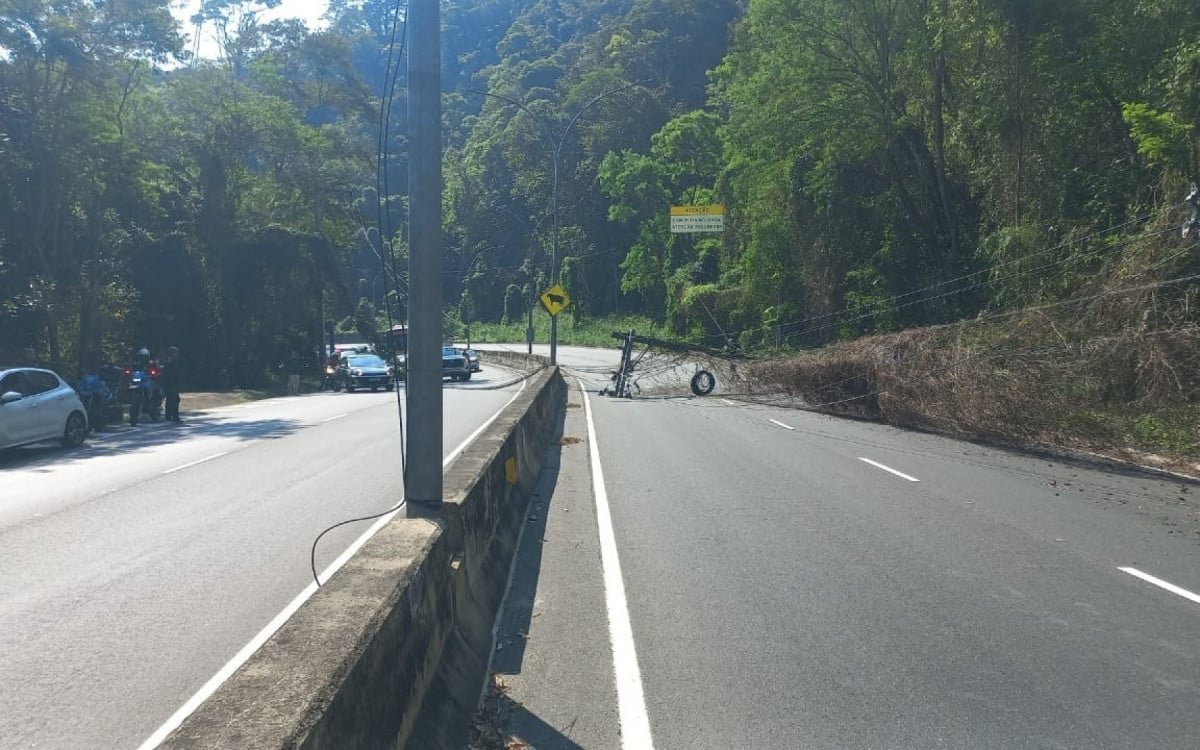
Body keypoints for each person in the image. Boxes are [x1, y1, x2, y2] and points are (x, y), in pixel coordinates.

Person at [161, 346, 183, 422]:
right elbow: (170, 374)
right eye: (175, 352)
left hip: (172, 383)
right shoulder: (170, 362)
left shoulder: (172, 361)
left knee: (171, 400)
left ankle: (169, 416)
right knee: (174, 399)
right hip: (170, 384)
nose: (177, 354)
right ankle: (174, 416)